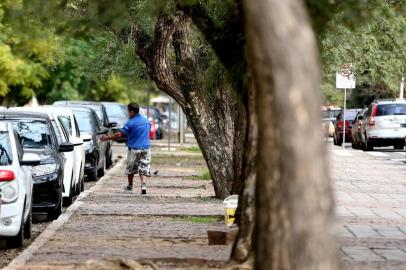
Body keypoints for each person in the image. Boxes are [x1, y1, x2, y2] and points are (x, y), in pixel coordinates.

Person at [101, 103, 151, 194]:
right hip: (147, 149)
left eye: (128, 111)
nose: (128, 113)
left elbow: (118, 135)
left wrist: (107, 138)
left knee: (131, 168)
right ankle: (143, 185)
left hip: (134, 148)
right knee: (143, 167)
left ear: (132, 111)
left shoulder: (130, 122)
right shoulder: (147, 121)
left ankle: (130, 186)